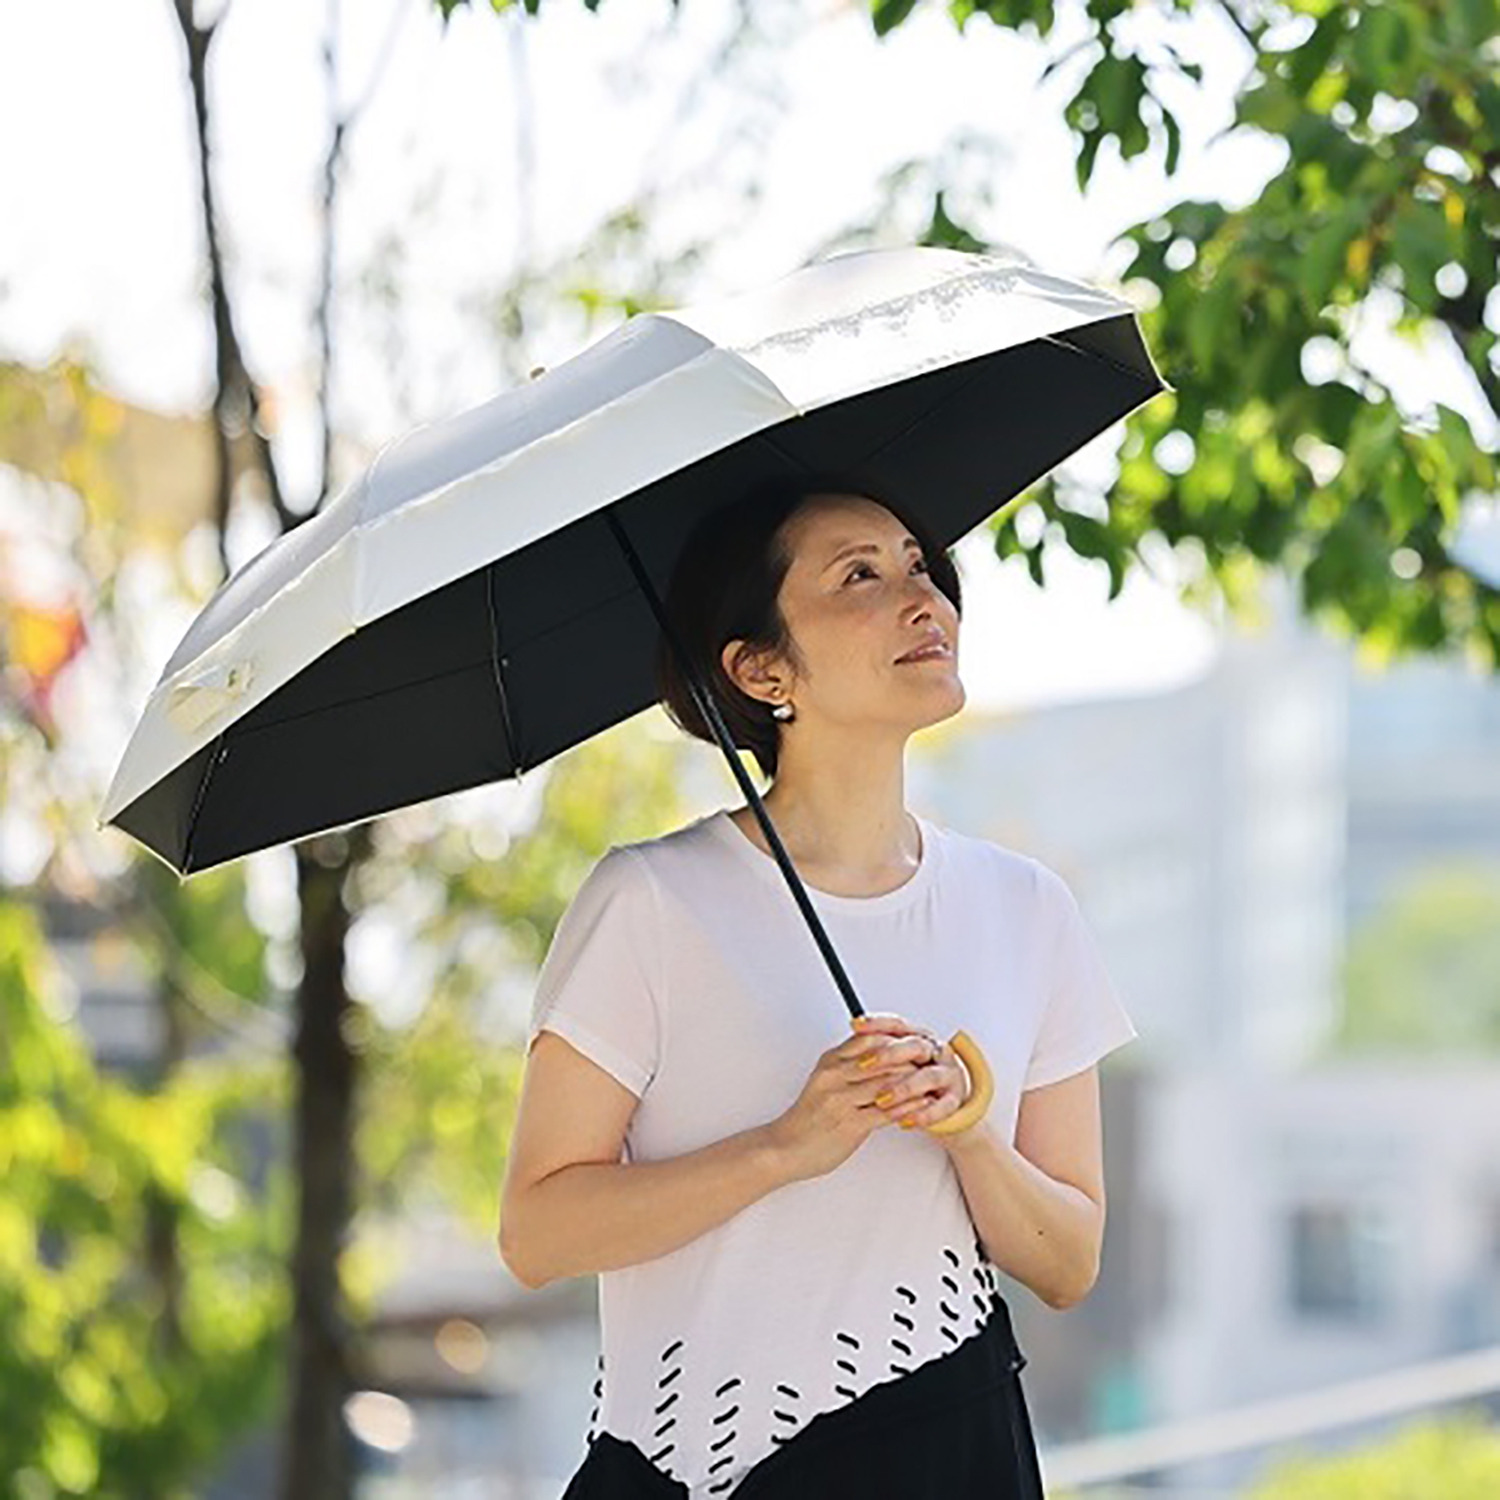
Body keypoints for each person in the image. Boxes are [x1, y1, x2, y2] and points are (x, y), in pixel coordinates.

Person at [498, 473, 1139, 1498]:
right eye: (860, 577)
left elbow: (1069, 1263)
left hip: (951, 1453)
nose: (924, 601)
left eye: (920, 567)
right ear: (761, 670)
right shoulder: (650, 900)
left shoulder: (1027, 908)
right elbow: (537, 1234)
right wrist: (786, 1147)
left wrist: (969, 1132)